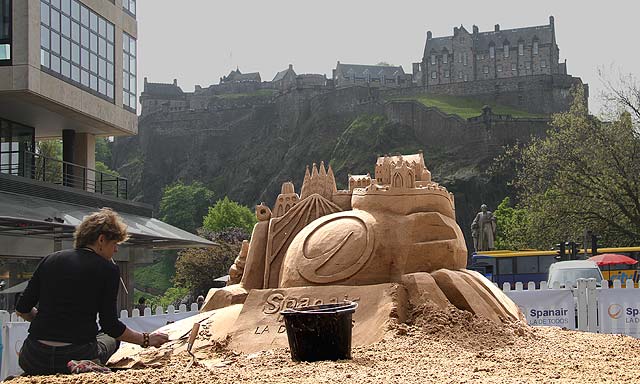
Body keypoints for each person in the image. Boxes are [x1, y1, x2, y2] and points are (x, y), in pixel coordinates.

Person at [15, 208, 169, 375]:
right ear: (101, 240)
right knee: (109, 338)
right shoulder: (108, 269)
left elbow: (22, 308)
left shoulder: (50, 259)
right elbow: (111, 326)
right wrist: (146, 339)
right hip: (76, 355)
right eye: (115, 244)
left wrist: (46, 322)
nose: (116, 250)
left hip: (34, 356)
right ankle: (87, 364)